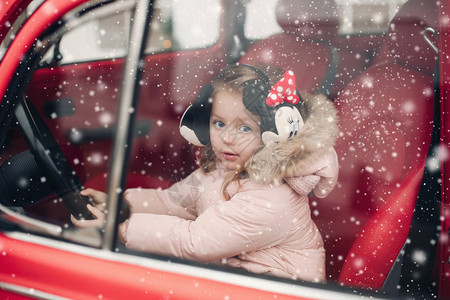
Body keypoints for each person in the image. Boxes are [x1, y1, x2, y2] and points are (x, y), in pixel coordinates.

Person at [72, 64, 339, 283]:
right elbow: (174, 201)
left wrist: (120, 230)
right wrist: (121, 205)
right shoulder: (226, 166)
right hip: (241, 277)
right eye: (219, 123)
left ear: (275, 133)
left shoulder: (271, 197)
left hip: (278, 289)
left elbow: (195, 242)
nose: (227, 138)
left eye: (245, 129)